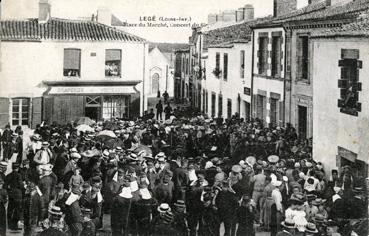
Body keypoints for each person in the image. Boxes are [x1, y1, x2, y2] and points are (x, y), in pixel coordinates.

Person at [5, 162, 24, 231]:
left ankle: (9, 225)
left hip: (11, 195)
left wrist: (9, 191)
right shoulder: (19, 175)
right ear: (18, 168)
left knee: (10, 209)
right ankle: (14, 225)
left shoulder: (8, 175)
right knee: (17, 210)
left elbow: (5, 186)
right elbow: (21, 186)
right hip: (18, 195)